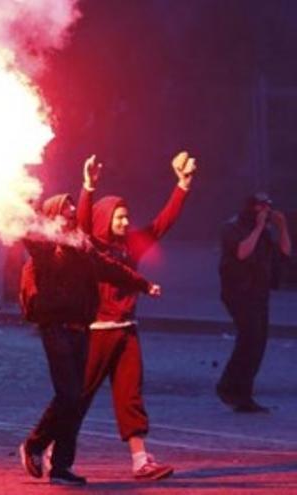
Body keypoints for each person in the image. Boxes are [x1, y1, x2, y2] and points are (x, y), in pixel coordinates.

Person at [18, 173, 161, 486]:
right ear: (53, 216)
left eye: (73, 207)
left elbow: (110, 268)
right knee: (69, 394)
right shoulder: (44, 247)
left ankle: (61, 467)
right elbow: (28, 234)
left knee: (74, 397)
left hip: (82, 328)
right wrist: (25, 205)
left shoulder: (82, 246)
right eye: (66, 208)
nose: (72, 212)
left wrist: (143, 284)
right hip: (55, 327)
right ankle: (35, 444)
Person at [76, 151, 197, 481]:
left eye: (127, 217)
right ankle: (46, 447)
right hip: (98, 332)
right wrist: (88, 185)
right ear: (105, 221)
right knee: (77, 395)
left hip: (127, 330)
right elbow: (83, 223)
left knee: (130, 395)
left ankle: (140, 460)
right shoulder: (92, 248)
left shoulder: (132, 246)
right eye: (119, 218)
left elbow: (161, 224)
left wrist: (182, 186)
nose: (126, 222)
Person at [216, 193, 291, 413]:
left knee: (257, 343)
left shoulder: (266, 232)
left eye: (268, 208)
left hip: (259, 293)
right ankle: (230, 388)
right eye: (261, 207)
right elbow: (242, 253)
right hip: (238, 292)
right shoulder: (231, 227)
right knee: (249, 338)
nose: (264, 212)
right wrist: (258, 229)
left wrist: (282, 227)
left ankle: (242, 393)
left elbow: (285, 253)